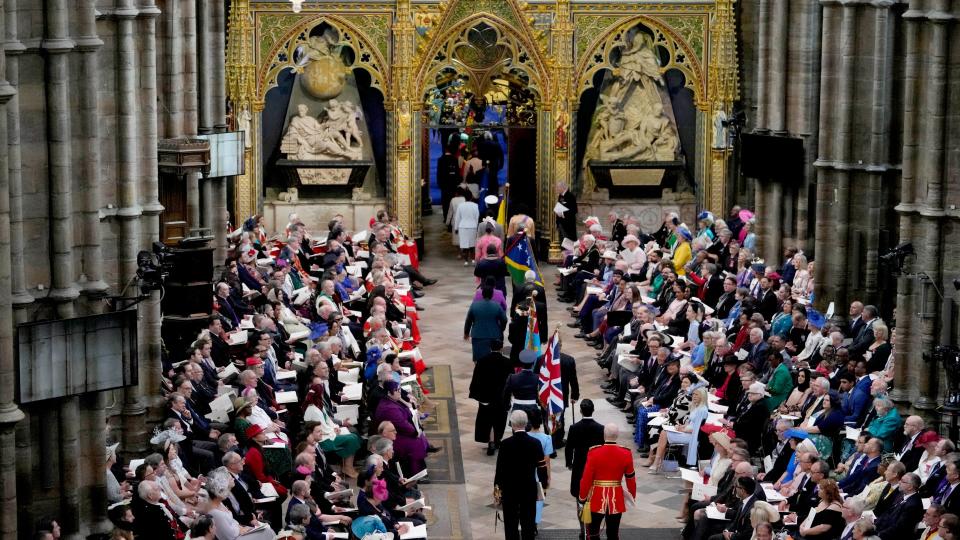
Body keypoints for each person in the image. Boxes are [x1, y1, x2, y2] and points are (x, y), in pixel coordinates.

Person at [495, 410, 548, 540]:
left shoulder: (505, 444)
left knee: (510, 525)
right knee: (528, 524)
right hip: (528, 489)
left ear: (512, 425)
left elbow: (500, 470)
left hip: (509, 490)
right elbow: (542, 467)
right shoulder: (535, 443)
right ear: (526, 423)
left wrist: (497, 491)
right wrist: (544, 486)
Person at [578, 423, 636, 540]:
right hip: (616, 499)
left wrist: (582, 498)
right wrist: (631, 496)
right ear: (617, 435)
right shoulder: (626, 453)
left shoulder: (594, 452)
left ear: (604, 435)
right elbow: (630, 478)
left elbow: (586, 478)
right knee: (613, 534)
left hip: (596, 498)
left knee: (593, 533)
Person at [469, 340, 513, 455]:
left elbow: (476, 380)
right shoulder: (507, 362)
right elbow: (511, 381)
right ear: (501, 348)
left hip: (486, 398)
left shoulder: (482, 361)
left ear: (490, 347)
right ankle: (496, 441)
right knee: (499, 420)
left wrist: (476, 395)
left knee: (487, 420)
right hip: (502, 398)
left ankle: (491, 441)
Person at [463, 282, 508, 362]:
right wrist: (501, 329)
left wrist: (466, 333)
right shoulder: (497, 306)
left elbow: (468, 320)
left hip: (478, 335)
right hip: (494, 335)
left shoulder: (474, 305)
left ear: (482, 294)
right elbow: (504, 319)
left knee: (478, 359)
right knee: (493, 359)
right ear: (492, 295)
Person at [453, 190, 480, 264]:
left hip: (463, 227)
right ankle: (473, 259)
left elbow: (457, 218)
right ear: (471, 197)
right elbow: (477, 217)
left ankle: (466, 261)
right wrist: (477, 226)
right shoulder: (475, 205)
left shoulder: (460, 205)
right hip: (473, 226)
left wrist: (456, 228)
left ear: (464, 197)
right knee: (472, 244)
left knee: (465, 245)